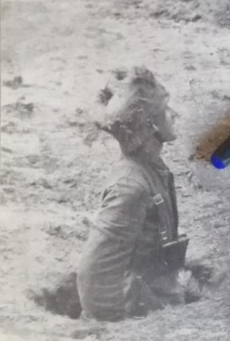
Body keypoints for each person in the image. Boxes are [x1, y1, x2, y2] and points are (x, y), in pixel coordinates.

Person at [77, 67, 190, 320]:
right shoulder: (131, 186)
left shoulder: (152, 168)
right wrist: (117, 328)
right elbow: (93, 275)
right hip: (141, 314)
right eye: (165, 111)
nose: (175, 114)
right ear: (149, 124)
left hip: (156, 303)